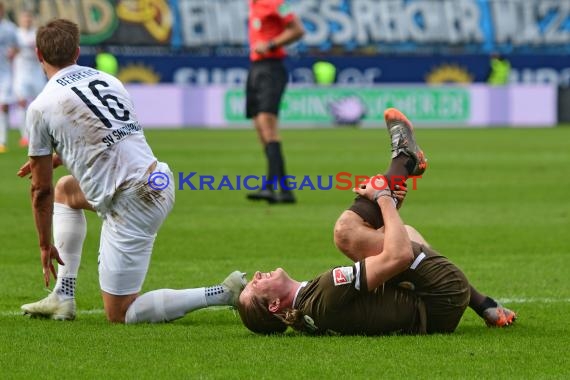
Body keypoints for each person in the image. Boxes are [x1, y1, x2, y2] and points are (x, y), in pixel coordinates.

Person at [18, 19, 246, 323]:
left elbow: (39, 191)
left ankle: (221, 292)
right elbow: (113, 135)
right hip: (158, 177)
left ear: (38, 54)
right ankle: (63, 295)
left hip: (133, 200)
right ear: (77, 51)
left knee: (121, 312)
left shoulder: (40, 106)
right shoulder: (109, 80)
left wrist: (45, 245)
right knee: (66, 191)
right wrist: (60, 156)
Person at [237, 108, 516, 335]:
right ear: (274, 305)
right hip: (443, 298)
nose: (258, 275)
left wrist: (390, 209)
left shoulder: (309, 314)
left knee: (398, 230)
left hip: (437, 310)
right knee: (346, 234)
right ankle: (404, 161)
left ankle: (483, 305)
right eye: (255, 285)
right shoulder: (324, 293)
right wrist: (383, 197)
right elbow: (400, 255)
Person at [245, 0, 304, 204]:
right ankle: (284, 190)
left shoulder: (275, 2)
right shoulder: (253, 4)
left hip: (271, 68)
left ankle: (270, 188)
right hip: (256, 67)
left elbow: (297, 30)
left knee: (268, 127)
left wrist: (271, 44)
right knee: (261, 130)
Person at [13, 9, 46, 148]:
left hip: (36, 72)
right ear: (20, 20)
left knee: (42, 104)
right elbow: (10, 50)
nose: (27, 20)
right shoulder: (15, 34)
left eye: (28, 18)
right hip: (21, 73)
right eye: (24, 18)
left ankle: (44, 133)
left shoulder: (37, 34)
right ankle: (25, 136)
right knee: (21, 102)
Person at [0, 1, 18, 153]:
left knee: (3, 105)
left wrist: (14, 52)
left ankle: (2, 140)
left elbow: (17, 46)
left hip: (5, 73)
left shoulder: (10, 28)